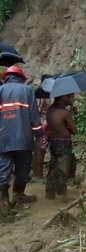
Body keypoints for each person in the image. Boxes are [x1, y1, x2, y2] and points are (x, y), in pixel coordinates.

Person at [0, 65, 44, 209]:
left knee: (4, 167)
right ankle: (18, 195)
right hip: (23, 137)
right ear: (21, 78)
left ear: (6, 77)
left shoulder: (0, 90)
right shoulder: (27, 90)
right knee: (22, 167)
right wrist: (39, 135)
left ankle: (4, 201)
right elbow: (34, 115)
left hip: (3, 138)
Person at [45, 93, 77, 199]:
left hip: (53, 142)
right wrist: (70, 115)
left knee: (53, 167)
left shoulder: (50, 110)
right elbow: (74, 131)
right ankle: (61, 195)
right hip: (64, 143)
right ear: (64, 97)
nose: (73, 99)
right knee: (63, 169)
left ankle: (49, 193)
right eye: (71, 96)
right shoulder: (65, 112)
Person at [32, 74, 53, 178]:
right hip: (48, 125)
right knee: (41, 150)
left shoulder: (41, 93)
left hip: (42, 124)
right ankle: (38, 173)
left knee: (39, 149)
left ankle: (38, 174)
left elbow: (37, 111)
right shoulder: (48, 93)